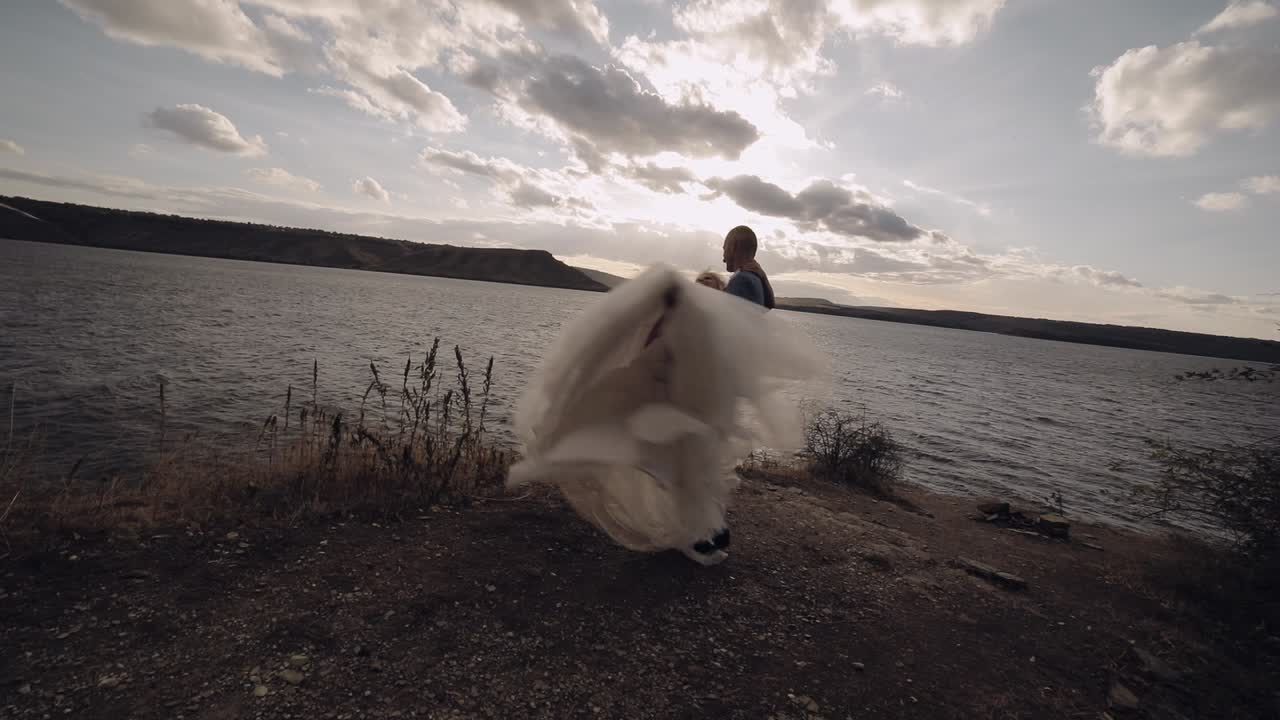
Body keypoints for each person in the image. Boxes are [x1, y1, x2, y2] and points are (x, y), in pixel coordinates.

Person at [722, 225, 776, 310]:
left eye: (724, 249)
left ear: (732, 247)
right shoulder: (756, 278)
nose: (723, 258)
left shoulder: (740, 280)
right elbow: (768, 307)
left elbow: (725, 314)